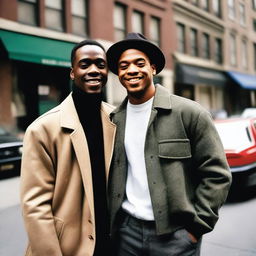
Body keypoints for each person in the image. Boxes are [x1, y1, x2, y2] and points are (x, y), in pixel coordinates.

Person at [106, 33, 232, 256]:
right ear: (119, 74)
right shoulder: (114, 120)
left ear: (153, 68)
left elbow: (217, 174)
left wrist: (196, 228)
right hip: (127, 233)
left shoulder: (190, 113)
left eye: (139, 63)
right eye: (123, 66)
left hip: (176, 236)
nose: (131, 70)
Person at [20, 40, 116, 256]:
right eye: (85, 64)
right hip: (67, 249)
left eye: (100, 64)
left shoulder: (117, 119)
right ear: (73, 72)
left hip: (113, 246)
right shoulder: (42, 129)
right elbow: (35, 207)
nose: (94, 70)